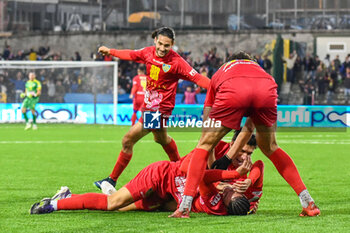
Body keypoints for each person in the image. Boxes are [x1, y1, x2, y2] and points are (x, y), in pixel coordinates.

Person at [170, 51, 320, 218]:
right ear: (251, 61)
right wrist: (227, 158)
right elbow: (249, 127)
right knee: (270, 147)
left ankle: (184, 207)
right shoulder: (261, 71)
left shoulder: (222, 71)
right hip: (267, 89)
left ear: (229, 62)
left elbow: (207, 130)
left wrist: (219, 164)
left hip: (232, 89)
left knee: (204, 144)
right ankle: (308, 202)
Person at [30, 133, 262, 216]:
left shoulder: (218, 202)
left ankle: (69, 195)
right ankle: (57, 204)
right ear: (233, 143)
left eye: (248, 152)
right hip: (160, 176)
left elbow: (208, 180)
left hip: (168, 195)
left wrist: (244, 198)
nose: (244, 156)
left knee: (120, 207)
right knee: (112, 204)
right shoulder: (210, 152)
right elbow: (188, 170)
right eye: (242, 150)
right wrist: (231, 179)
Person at [94, 27, 210, 189]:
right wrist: (111, 52)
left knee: (128, 140)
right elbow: (131, 55)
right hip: (149, 108)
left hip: (159, 111)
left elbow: (198, 78)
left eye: (167, 46)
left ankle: (111, 180)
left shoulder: (177, 62)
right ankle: (181, 170)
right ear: (155, 40)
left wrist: (218, 89)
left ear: (172, 45)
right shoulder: (148, 52)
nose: (162, 48)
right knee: (161, 139)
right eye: (160, 44)